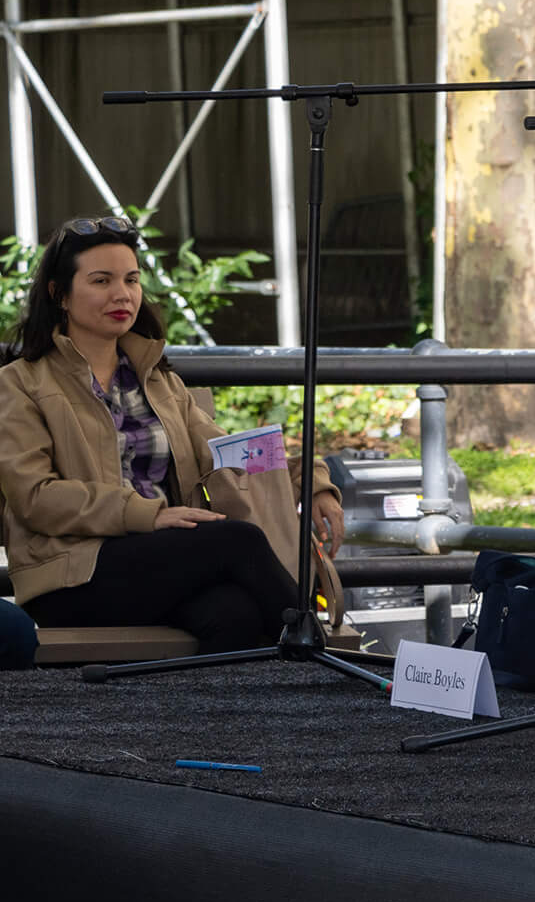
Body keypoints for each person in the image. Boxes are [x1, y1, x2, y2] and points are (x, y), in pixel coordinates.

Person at [0, 216, 345, 653]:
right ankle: (335, 665)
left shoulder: (158, 382)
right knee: (239, 541)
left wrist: (311, 482)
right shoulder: (20, 383)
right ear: (59, 293)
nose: (121, 294)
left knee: (235, 615)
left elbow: (229, 454)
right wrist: (148, 514)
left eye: (131, 279)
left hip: (164, 562)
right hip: (71, 573)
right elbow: (35, 497)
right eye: (101, 281)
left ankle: (230, 722)